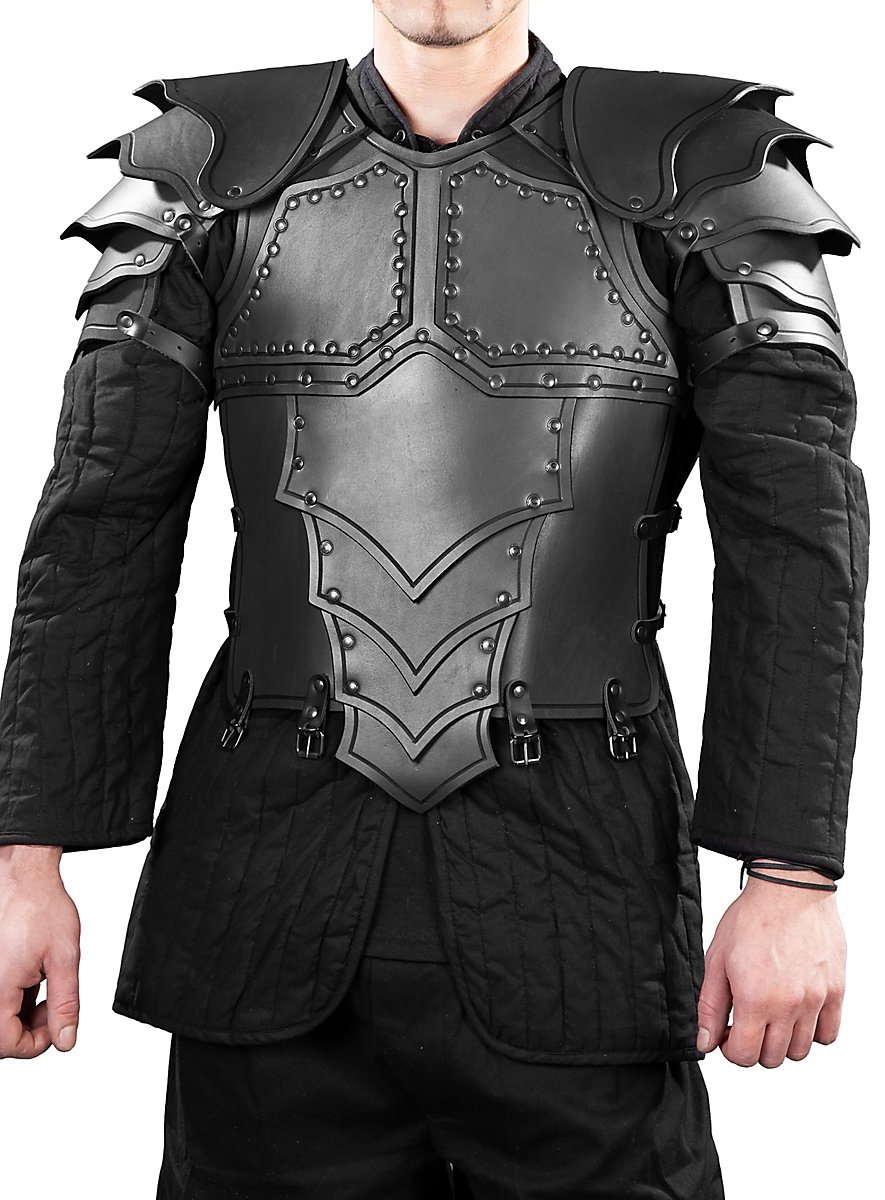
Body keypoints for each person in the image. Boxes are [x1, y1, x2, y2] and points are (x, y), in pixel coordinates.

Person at [0, 2, 868, 1197]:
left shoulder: (701, 167)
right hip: (264, 899)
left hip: (580, 898)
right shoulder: (204, 165)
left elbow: (799, 535)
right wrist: (26, 858)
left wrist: (790, 876)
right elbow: (101, 520)